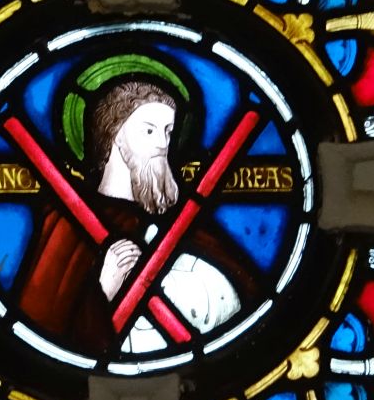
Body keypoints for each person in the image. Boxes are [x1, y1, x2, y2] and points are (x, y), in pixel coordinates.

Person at [16, 78, 256, 355]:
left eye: (168, 131)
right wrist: (103, 288)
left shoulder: (188, 224)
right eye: (149, 130)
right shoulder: (68, 225)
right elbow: (39, 335)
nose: (162, 144)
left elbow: (246, 304)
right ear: (116, 133)